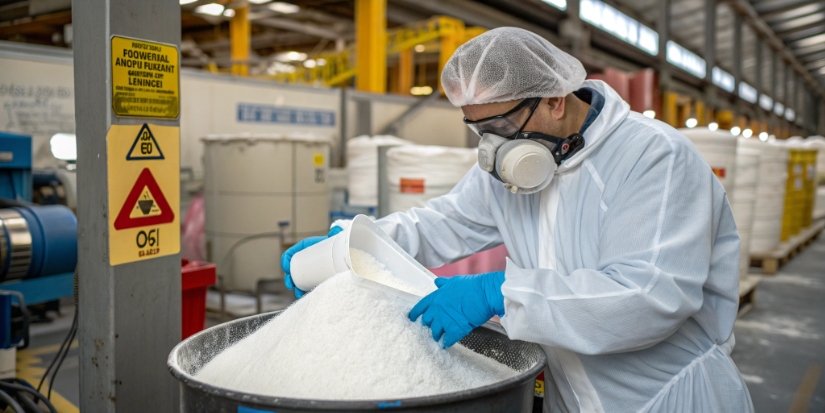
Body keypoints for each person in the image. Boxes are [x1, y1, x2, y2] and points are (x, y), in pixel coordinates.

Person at [282, 27, 754, 412]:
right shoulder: (512, 165)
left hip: (670, 397)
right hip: (573, 395)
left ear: (553, 99)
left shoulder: (654, 157)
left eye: (499, 127)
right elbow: (443, 222)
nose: (490, 146)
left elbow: (649, 298)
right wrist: (356, 244)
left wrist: (499, 293)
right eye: (477, 129)